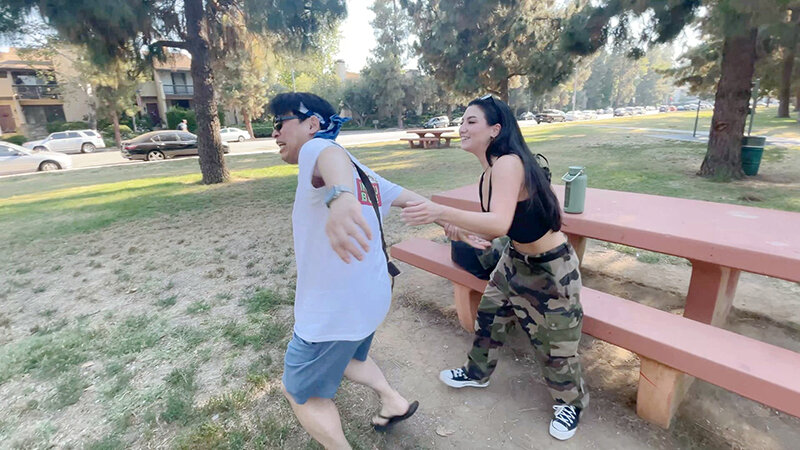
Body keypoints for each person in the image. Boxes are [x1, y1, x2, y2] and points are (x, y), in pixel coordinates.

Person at [401, 95, 589, 440]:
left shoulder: (509, 163)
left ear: (495, 129)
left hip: (551, 269)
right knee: (489, 315)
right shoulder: (489, 172)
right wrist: (464, 232)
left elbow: (500, 222)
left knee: (555, 344)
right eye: (462, 121)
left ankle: (570, 404)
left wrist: (440, 211)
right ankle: (477, 372)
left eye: (471, 121)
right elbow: (500, 225)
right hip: (515, 258)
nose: (462, 127)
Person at [271, 92, 428, 449]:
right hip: (371, 299)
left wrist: (341, 197)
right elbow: (408, 197)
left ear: (312, 124)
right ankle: (393, 401)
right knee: (349, 357)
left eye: (280, 122)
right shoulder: (360, 170)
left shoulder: (317, 148)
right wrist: (447, 219)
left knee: (299, 391)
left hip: (332, 314)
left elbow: (328, 154)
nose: (275, 133)